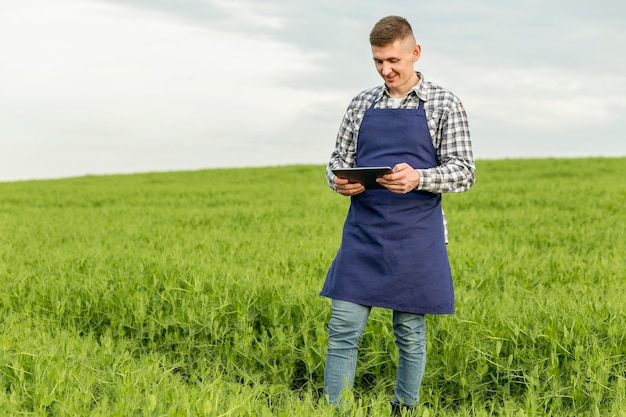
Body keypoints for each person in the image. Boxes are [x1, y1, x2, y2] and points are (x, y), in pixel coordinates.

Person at [320, 15, 476, 415]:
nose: (386, 70)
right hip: (363, 232)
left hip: (416, 235)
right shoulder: (361, 103)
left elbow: (464, 171)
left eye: (393, 60)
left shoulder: (444, 104)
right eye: (377, 62)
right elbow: (338, 158)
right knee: (342, 328)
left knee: (409, 332)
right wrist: (338, 180)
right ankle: (333, 409)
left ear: (415, 53)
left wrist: (419, 177)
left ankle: (404, 409)